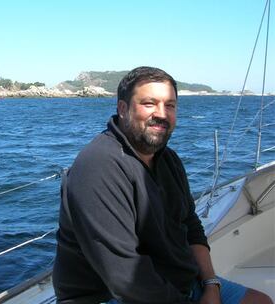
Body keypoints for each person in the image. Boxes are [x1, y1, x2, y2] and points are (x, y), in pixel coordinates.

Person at [52, 67, 272, 304]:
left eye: (170, 105)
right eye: (149, 103)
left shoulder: (168, 159)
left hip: (178, 285)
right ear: (123, 109)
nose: (162, 114)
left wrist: (210, 284)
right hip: (112, 297)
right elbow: (125, 276)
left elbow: (190, 225)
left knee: (261, 301)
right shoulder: (99, 167)